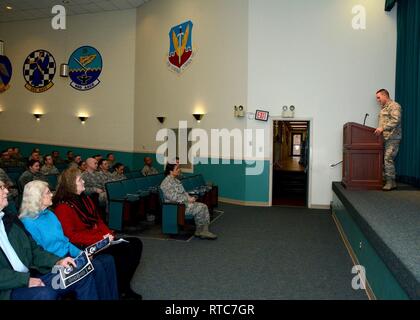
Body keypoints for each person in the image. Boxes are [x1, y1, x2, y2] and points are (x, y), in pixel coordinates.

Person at [0, 180, 100, 300]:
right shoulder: (25, 221)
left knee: (82, 275)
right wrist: (25, 280)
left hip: (28, 276)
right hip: (8, 287)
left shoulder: (10, 221)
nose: (6, 191)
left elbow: (35, 251)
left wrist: (58, 261)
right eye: (1, 188)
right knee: (45, 294)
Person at [52, 167, 143, 299]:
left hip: (99, 239)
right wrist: (101, 239)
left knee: (136, 244)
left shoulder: (85, 199)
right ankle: (121, 288)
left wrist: (108, 235)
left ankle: (123, 285)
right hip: (85, 246)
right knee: (125, 250)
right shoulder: (63, 207)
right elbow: (72, 236)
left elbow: (98, 220)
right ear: (71, 184)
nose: (83, 182)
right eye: (80, 180)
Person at [19, 181, 119, 300]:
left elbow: (64, 241)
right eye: (48, 192)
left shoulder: (50, 214)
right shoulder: (28, 223)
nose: (52, 195)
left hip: (68, 257)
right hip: (53, 264)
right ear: (37, 198)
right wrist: (61, 260)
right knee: (96, 267)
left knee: (105, 261)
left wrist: (81, 254)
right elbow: (40, 253)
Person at [160, 163, 217, 240]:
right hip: (176, 207)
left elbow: (184, 192)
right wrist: (188, 199)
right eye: (177, 169)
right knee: (201, 208)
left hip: (184, 204)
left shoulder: (176, 180)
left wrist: (190, 197)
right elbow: (173, 198)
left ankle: (202, 230)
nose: (179, 170)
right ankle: (201, 231)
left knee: (204, 206)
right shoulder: (166, 183)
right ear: (170, 171)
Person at [374, 89, 402, 191]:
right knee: (384, 159)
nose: (377, 100)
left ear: (385, 95)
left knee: (388, 158)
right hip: (385, 138)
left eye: (378, 97)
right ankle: (392, 182)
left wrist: (382, 128)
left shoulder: (394, 106)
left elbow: (396, 120)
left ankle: (389, 182)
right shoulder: (383, 108)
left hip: (393, 138)